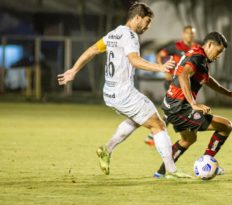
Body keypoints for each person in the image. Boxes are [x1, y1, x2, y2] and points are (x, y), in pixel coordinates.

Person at [57, 2, 190, 179]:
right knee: (158, 124)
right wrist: (161, 67)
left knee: (137, 120)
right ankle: (171, 171)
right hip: (123, 93)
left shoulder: (114, 34)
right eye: (147, 21)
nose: (148, 26)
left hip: (110, 93)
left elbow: (92, 50)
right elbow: (135, 60)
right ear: (137, 18)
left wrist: (73, 70)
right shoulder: (130, 36)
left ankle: (107, 149)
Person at [153, 32, 232, 178]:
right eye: (218, 51)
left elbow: (207, 80)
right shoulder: (198, 56)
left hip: (172, 105)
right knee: (226, 126)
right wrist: (193, 104)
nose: (219, 55)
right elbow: (183, 75)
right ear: (209, 45)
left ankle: (161, 172)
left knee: (188, 139)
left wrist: (229, 93)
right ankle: (207, 161)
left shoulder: (199, 56)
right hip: (179, 107)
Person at [144, 25, 200, 146]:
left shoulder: (196, 48)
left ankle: (154, 135)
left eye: (192, 33)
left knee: (175, 110)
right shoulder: (176, 46)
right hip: (173, 82)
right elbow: (159, 55)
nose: (190, 35)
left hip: (185, 84)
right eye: (188, 33)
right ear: (183, 34)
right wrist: (164, 70)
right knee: (174, 110)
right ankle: (155, 135)